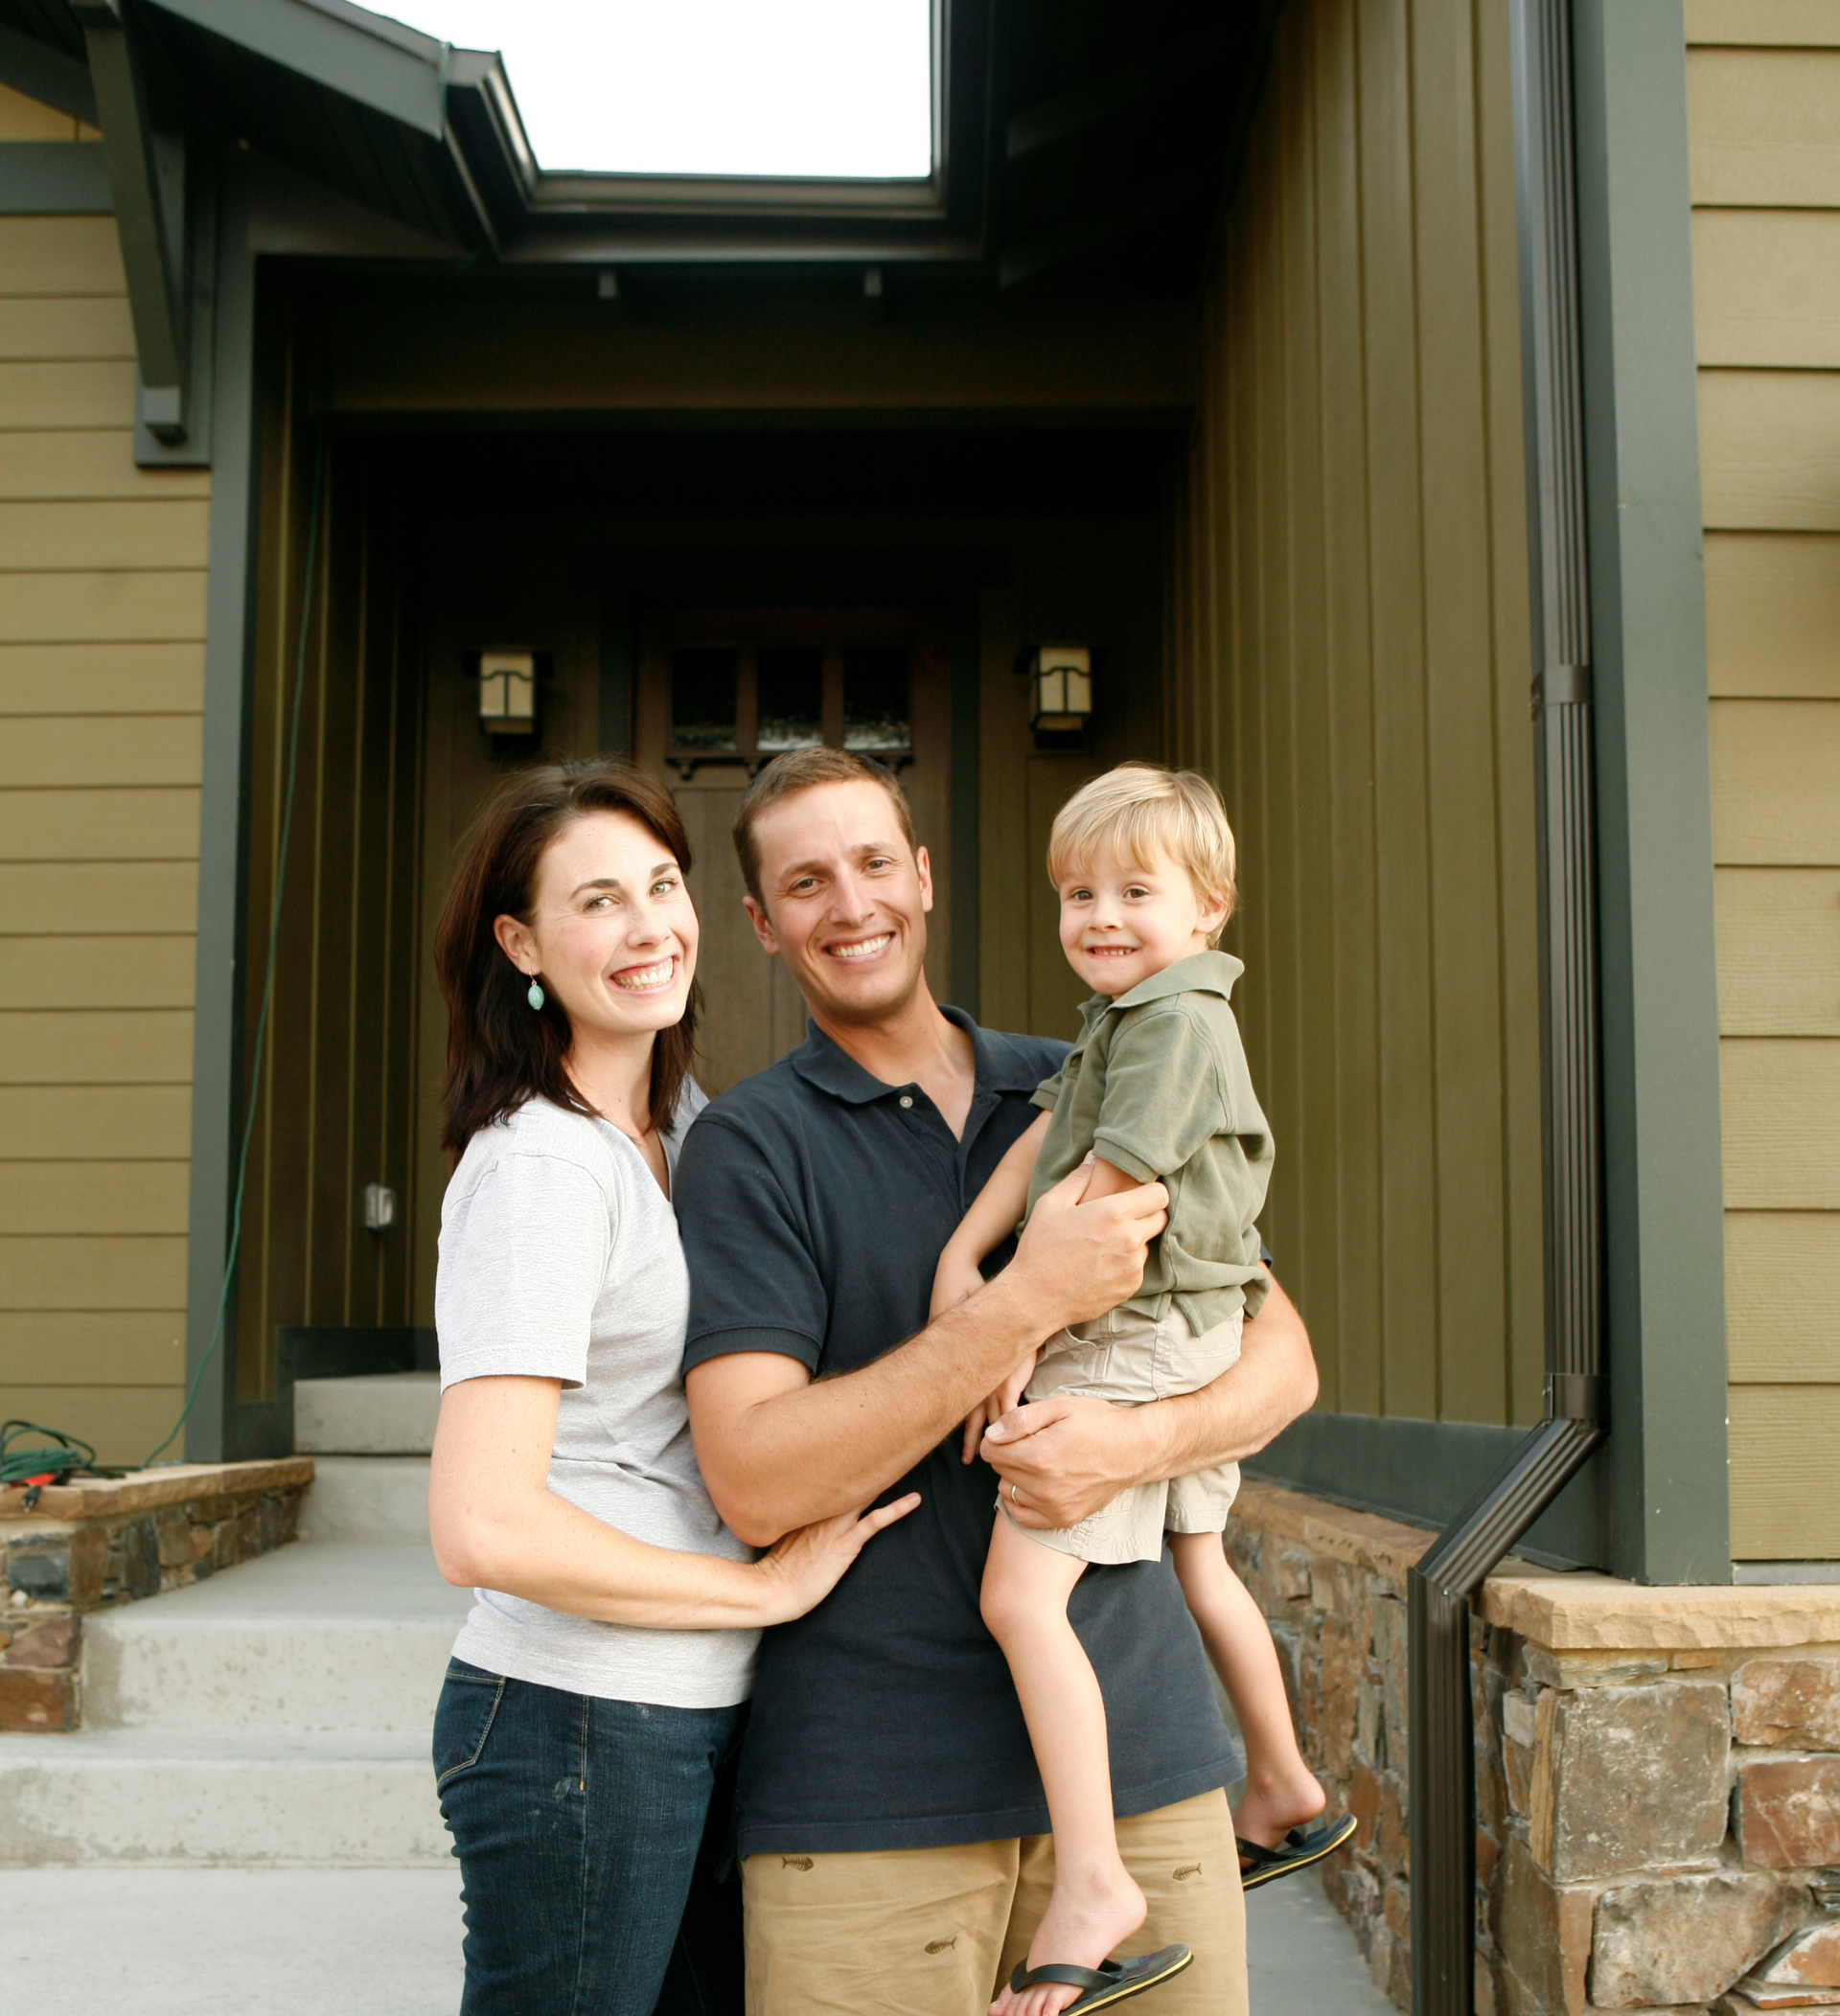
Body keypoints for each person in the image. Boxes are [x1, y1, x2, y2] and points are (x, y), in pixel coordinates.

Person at [674, 746, 1321, 2016]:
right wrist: (1017, 1298)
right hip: (873, 1800)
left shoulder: (1093, 1069)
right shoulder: (753, 1146)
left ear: (922, 878)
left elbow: (1278, 1356)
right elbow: (754, 1482)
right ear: (759, 923)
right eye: (805, 883)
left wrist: (1132, 1446)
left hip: (1147, 1784)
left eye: (872, 864)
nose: (850, 904)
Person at [425, 759, 916, 2016]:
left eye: (662, 885)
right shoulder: (541, 1170)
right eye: (597, 901)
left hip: (698, 1707)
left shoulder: (691, 1132)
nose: (649, 926)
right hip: (578, 1721)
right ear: (521, 941)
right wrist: (753, 1588)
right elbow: (483, 1524)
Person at [932, 764, 1352, 2016]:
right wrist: (967, 1250)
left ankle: (1098, 1882)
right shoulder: (1127, 1019)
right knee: (1199, 1564)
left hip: (1139, 1330)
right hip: (1189, 1330)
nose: (1099, 913)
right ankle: (1281, 1785)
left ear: (1208, 908)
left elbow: (1110, 1185)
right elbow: (1050, 1132)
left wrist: (1012, 1321)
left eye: (1132, 889)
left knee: (1020, 1597)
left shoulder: (1179, 1026)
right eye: (1077, 892)